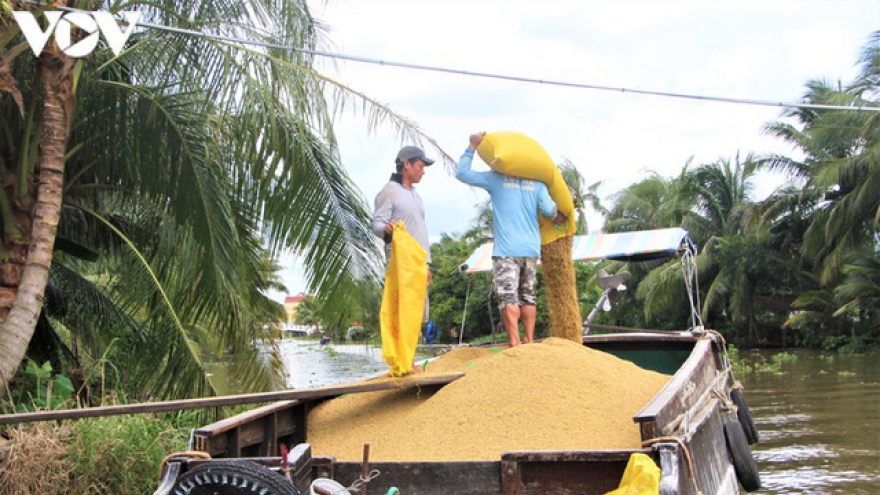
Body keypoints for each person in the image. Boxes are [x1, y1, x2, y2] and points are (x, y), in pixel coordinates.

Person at [455, 132, 565, 346]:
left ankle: (514, 342)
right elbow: (551, 212)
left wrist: (472, 146)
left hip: (506, 251)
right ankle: (529, 339)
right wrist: (560, 217)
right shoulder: (538, 184)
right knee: (528, 296)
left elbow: (463, 173)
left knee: (509, 297)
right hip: (531, 250)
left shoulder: (497, 179)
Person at [372, 145, 435, 318]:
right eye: (420, 167)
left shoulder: (416, 194)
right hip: (401, 262)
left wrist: (426, 265)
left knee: (419, 313)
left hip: (419, 262)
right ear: (407, 164)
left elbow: (419, 230)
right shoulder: (390, 190)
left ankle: (415, 338)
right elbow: (377, 224)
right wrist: (386, 228)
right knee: (403, 311)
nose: (423, 172)